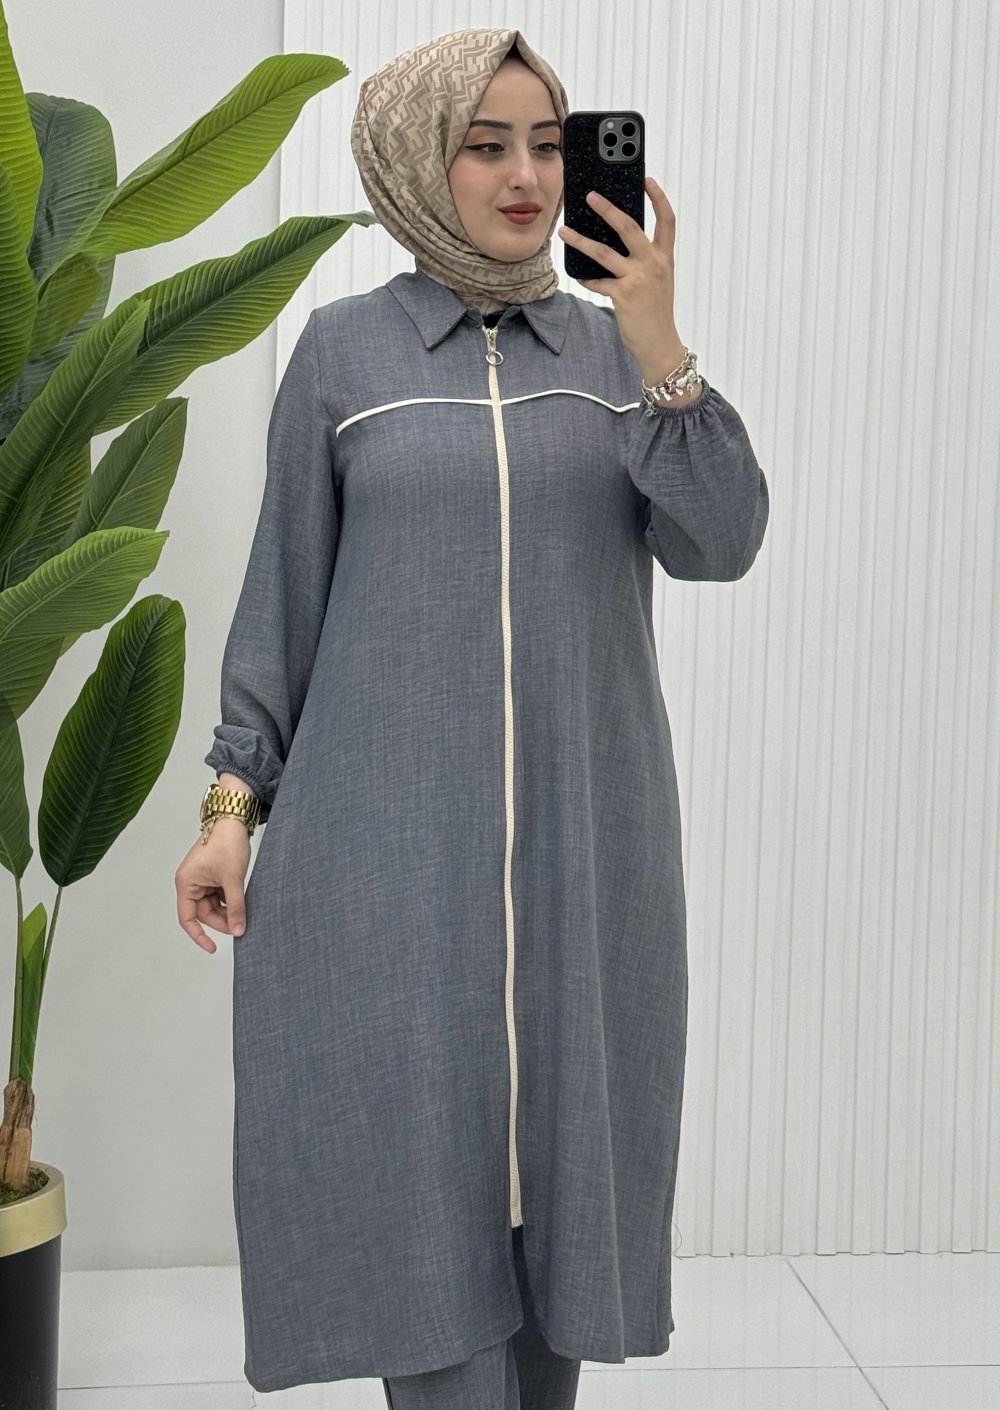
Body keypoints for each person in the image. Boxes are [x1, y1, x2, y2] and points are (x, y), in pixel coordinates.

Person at [174, 25, 768, 1410]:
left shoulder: (615, 354)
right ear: (416, 159)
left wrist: (660, 342)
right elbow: (283, 602)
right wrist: (229, 808)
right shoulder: (343, 355)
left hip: (586, 859)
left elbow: (724, 541)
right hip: (388, 867)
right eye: (485, 144)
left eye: (548, 146)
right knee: (421, 1228)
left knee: (564, 1231)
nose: (527, 178)